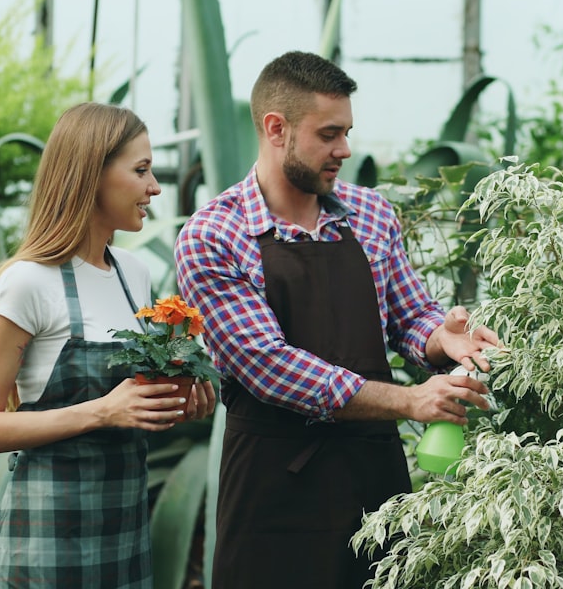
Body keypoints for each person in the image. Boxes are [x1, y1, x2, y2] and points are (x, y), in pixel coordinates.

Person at [174, 50, 500, 589]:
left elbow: (410, 316)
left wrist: (442, 338)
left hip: (374, 481)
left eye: (347, 132)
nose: (344, 150)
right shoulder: (214, 235)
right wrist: (408, 400)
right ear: (276, 129)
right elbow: (267, 365)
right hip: (272, 490)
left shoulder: (370, 213)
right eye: (328, 134)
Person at [0, 102, 217, 589]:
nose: (155, 187)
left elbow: (129, 409)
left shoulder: (133, 275)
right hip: (48, 544)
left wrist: (178, 402)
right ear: (91, 174)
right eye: (141, 170)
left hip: (125, 537)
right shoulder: (25, 283)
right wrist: (102, 411)